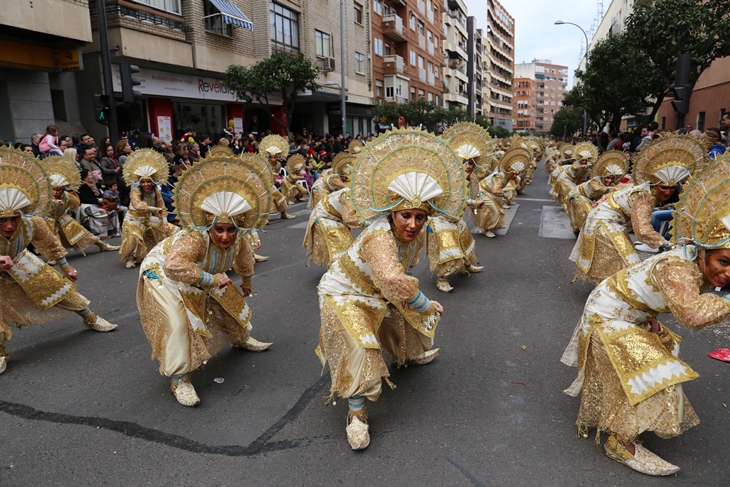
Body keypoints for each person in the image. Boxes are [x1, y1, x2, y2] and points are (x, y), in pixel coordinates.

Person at [561, 153, 730, 476]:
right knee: (658, 377)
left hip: (629, 308)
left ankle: (624, 409)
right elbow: (693, 314)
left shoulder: (694, 259)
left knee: (660, 351)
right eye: (724, 262)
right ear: (707, 251)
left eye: (673, 187)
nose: (727, 273)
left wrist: (647, 311)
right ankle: (619, 441)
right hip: (609, 314)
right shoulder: (679, 266)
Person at [316, 129, 460, 450]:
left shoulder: (414, 234)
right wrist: (424, 302)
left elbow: (397, 277)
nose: (412, 224)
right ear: (392, 212)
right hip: (344, 293)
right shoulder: (378, 235)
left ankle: (407, 355)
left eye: (419, 217)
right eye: (405, 215)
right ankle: (356, 415)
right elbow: (393, 279)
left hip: (377, 290)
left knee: (400, 318)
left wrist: (408, 302)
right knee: (362, 345)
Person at [136, 154, 274, 407]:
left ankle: (240, 337)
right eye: (219, 230)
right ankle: (179, 379)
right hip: (162, 272)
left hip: (199, 272)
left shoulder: (241, 240)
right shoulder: (194, 239)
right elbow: (174, 265)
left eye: (230, 229)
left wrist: (247, 282)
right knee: (179, 320)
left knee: (228, 298)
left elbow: (245, 262)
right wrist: (209, 279)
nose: (225, 236)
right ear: (208, 227)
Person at [0, 148, 117, 375]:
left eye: (14, 219)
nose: (9, 226)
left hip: (23, 263)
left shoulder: (32, 223)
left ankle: (90, 318)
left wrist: (67, 268)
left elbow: (52, 246)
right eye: (2, 220)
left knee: (62, 290)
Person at [570, 135, 706, 285]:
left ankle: (613, 296)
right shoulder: (644, 196)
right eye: (663, 187)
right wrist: (666, 244)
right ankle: (611, 298)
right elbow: (642, 230)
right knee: (629, 265)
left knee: (623, 265)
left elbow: (619, 188)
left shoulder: (644, 189)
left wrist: (606, 198)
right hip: (602, 222)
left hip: (606, 221)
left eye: (671, 188)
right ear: (654, 185)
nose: (667, 192)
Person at [43, 156, 119, 256]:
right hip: (50, 221)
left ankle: (102, 245)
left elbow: (74, 204)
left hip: (64, 219)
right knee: (52, 238)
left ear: (63, 190)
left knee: (83, 234)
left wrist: (64, 207)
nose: (55, 192)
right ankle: (54, 256)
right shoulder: (46, 197)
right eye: (54, 189)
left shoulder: (66, 196)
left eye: (59, 190)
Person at [119, 149, 176, 269]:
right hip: (133, 219)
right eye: (143, 182)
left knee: (173, 230)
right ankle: (130, 258)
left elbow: (162, 207)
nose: (146, 184)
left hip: (147, 218)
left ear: (153, 181)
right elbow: (138, 205)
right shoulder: (135, 191)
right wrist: (155, 209)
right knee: (134, 236)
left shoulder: (155, 191)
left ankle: (168, 253)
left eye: (148, 181)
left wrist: (165, 223)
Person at [564, 150, 628, 234]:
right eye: (607, 178)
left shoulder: (611, 184)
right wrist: (614, 188)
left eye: (612, 178)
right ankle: (583, 233)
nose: (610, 180)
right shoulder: (594, 181)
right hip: (576, 196)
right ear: (603, 176)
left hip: (589, 199)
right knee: (588, 214)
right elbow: (597, 189)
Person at [473, 148, 528, 238]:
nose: (514, 176)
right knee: (495, 210)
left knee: (497, 209)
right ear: (508, 171)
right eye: (513, 173)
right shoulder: (500, 176)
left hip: (489, 192)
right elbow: (495, 190)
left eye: (516, 174)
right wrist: (505, 195)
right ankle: (487, 229)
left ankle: (493, 225)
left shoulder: (506, 175)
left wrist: (516, 179)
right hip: (481, 192)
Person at [258, 134, 296, 219]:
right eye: (271, 157)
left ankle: (284, 213)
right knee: (266, 200)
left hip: (272, 184)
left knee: (280, 197)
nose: (273, 159)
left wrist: (277, 177)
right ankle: (264, 218)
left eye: (275, 157)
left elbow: (278, 173)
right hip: (264, 185)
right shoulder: (265, 164)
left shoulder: (278, 164)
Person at [78, 169, 121, 238]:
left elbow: (100, 195)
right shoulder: (82, 187)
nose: (92, 176)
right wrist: (98, 200)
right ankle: (100, 233)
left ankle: (114, 232)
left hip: (97, 204)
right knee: (103, 212)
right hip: (88, 205)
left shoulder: (94, 185)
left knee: (113, 212)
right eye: (89, 175)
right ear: (84, 178)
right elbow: (85, 199)